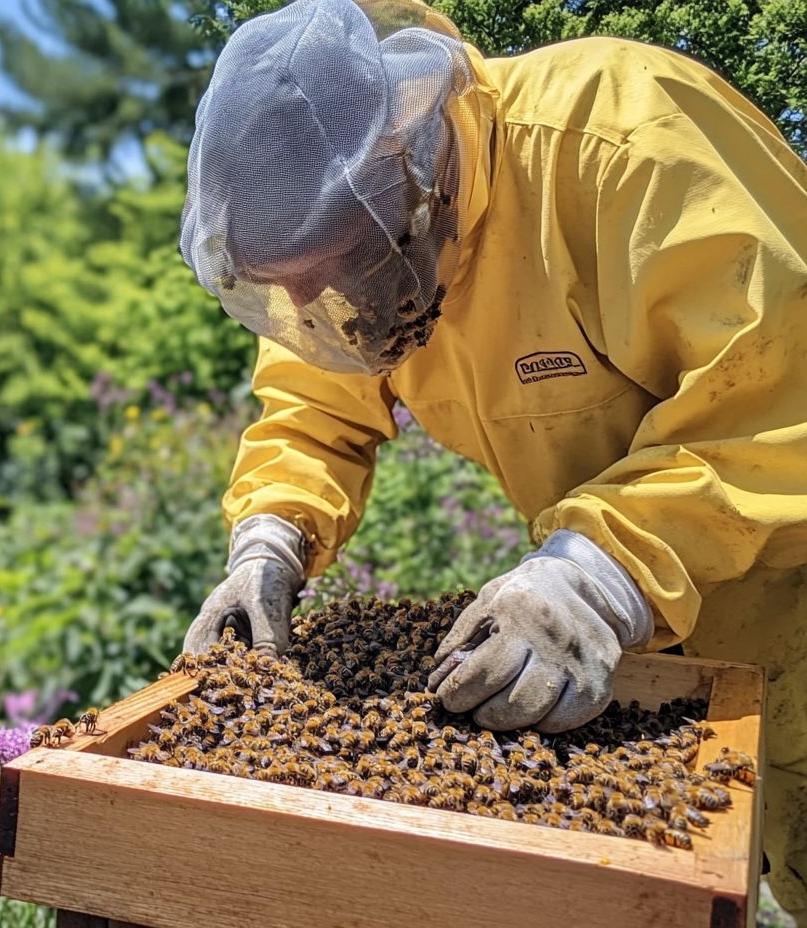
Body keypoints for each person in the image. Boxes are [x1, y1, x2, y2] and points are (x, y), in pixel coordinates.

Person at [178, 0, 807, 919]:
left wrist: (598, 574)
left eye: (342, 266)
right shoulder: (344, 264)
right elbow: (314, 409)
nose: (325, 304)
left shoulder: (627, 136)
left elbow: (782, 392)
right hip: (663, 666)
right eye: (292, 290)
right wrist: (269, 539)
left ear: (414, 161)